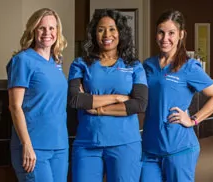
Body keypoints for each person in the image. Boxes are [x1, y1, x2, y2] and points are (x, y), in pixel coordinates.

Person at [141, 9, 213, 182]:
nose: (165, 38)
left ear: (181, 34)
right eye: (161, 32)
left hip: (179, 148)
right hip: (150, 148)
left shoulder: (189, 67)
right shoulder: (147, 65)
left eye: (171, 33)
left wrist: (193, 119)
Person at [67, 8, 147, 182]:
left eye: (112, 29)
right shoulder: (80, 64)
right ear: (94, 34)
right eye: (101, 29)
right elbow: (76, 99)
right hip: (88, 143)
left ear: (120, 33)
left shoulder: (134, 65)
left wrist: (97, 109)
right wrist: (117, 98)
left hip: (125, 144)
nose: (106, 34)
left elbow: (139, 104)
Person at [6, 8, 69, 182]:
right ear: (33, 30)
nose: (47, 33)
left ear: (57, 31)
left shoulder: (57, 62)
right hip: (33, 147)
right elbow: (15, 106)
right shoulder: (22, 61)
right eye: (42, 28)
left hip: (59, 145)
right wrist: (26, 145)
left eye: (52, 28)